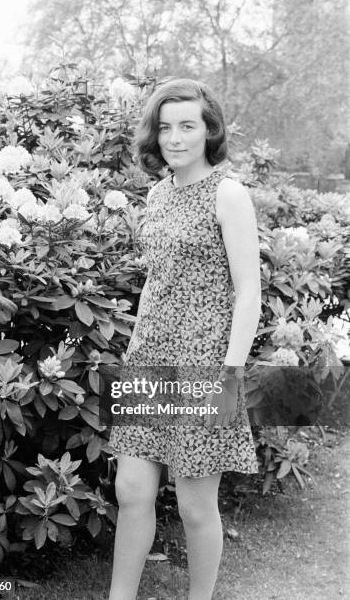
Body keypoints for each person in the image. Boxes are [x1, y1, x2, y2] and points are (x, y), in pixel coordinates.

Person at [107, 78, 261, 600]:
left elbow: (248, 295)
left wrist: (230, 374)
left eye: (187, 126)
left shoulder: (229, 193)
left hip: (204, 363)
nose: (175, 138)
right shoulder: (157, 193)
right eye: (165, 127)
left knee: (196, 505)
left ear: (208, 130)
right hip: (149, 357)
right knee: (131, 489)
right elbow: (159, 277)